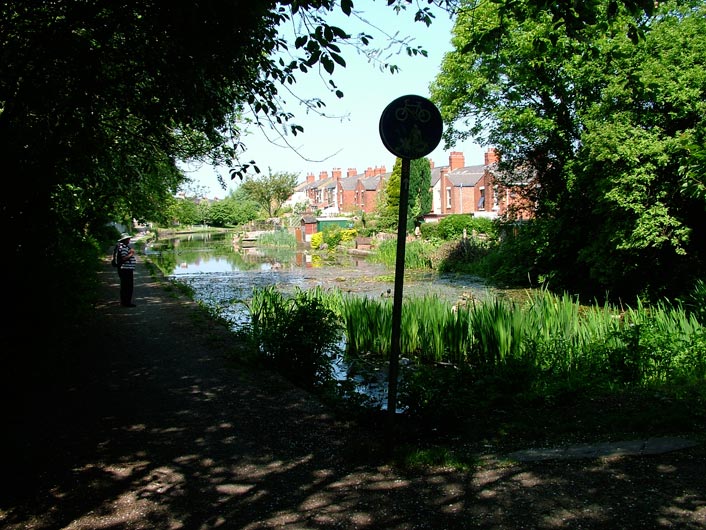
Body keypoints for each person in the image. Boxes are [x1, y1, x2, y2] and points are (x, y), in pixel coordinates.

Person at [116, 233, 137, 307]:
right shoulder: (123, 247)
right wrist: (131, 254)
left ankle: (125, 302)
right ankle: (126, 303)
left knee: (125, 286)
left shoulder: (122, 246)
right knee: (127, 286)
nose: (129, 240)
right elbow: (124, 258)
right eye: (128, 239)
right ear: (125, 240)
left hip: (126, 269)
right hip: (126, 269)